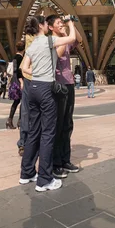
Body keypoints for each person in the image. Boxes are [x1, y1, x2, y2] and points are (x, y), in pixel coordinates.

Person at [20, 15, 76, 192]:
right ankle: (44, 179)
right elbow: (72, 39)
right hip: (45, 88)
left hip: (33, 88)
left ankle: (27, 173)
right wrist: (71, 23)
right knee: (48, 133)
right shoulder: (47, 40)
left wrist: (37, 72)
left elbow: (24, 68)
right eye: (45, 23)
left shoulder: (32, 45)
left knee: (34, 131)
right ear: (43, 26)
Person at [47, 14, 81, 179]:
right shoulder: (53, 41)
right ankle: (56, 163)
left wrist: (71, 24)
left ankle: (65, 160)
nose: (61, 25)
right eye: (58, 23)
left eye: (62, 22)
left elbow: (78, 39)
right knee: (58, 125)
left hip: (69, 84)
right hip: (58, 85)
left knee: (67, 123)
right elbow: (59, 53)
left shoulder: (66, 38)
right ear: (51, 27)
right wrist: (67, 31)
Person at [7, 41, 25, 129]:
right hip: (19, 81)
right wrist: (22, 81)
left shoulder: (14, 57)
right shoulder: (20, 58)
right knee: (23, 101)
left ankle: (9, 120)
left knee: (16, 101)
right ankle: (20, 121)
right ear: (24, 49)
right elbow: (19, 71)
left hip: (14, 81)